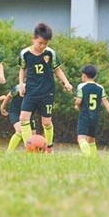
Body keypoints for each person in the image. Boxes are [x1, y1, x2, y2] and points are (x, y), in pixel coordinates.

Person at [18, 22, 73, 153]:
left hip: (46, 92)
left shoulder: (50, 53)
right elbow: (22, 69)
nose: (42, 46)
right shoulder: (25, 53)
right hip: (31, 91)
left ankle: (49, 147)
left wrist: (66, 82)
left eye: (45, 44)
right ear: (34, 39)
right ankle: (29, 147)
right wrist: (21, 84)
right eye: (40, 43)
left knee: (46, 122)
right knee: (23, 118)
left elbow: (57, 70)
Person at [74, 65, 109, 156]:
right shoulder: (100, 88)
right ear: (95, 76)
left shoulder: (81, 86)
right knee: (91, 140)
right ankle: (94, 158)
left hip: (85, 115)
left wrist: (76, 105)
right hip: (95, 116)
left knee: (81, 138)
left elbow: (78, 101)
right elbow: (105, 101)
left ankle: (87, 157)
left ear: (84, 75)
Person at [0, 84, 37, 152]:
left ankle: (32, 153)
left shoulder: (38, 90)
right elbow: (9, 96)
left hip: (28, 113)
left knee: (33, 135)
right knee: (20, 130)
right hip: (15, 112)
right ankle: (9, 152)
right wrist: (2, 107)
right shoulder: (19, 87)